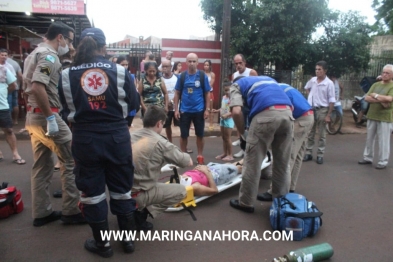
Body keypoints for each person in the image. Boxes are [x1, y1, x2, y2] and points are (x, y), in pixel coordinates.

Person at [58, 27, 140, 257]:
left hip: (85, 139)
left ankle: (103, 245)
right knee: (122, 190)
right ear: (104, 47)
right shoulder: (121, 72)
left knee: (92, 194)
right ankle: (128, 241)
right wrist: (123, 122)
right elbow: (134, 102)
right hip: (117, 137)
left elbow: (65, 108)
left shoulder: (67, 74)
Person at [23, 22, 84, 227]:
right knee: (70, 161)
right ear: (60, 37)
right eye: (69, 40)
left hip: (33, 116)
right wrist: (50, 117)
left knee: (41, 165)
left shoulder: (33, 54)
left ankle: (42, 212)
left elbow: (28, 88)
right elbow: (37, 86)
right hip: (47, 116)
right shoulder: (49, 56)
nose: (68, 45)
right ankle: (71, 210)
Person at [228, 76, 293, 213]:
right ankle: (280, 200)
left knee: (253, 162)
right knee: (282, 162)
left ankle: (246, 202)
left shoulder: (236, 85)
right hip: (287, 114)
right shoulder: (269, 79)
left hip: (265, 115)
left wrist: (242, 134)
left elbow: (236, 111)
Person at [131, 105, 192, 229]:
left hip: (121, 190)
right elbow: (187, 162)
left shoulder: (130, 136)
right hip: (138, 194)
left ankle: (135, 209)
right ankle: (142, 212)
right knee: (181, 191)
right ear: (159, 123)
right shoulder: (161, 142)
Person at [257, 83, 314, 201]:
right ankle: (291, 187)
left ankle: (275, 191)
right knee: (297, 155)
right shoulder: (282, 87)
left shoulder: (276, 92)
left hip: (300, 119)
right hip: (309, 117)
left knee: (286, 157)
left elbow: (282, 112)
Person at [173, 53, 211, 164]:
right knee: (183, 135)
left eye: (194, 61)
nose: (192, 63)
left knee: (200, 134)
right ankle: (183, 157)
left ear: (198, 62)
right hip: (185, 111)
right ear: (186, 62)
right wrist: (176, 109)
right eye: (189, 61)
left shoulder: (202, 76)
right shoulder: (182, 76)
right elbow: (177, 93)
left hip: (199, 111)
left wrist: (207, 109)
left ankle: (200, 155)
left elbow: (207, 93)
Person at [358, 64, 393, 169]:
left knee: (384, 141)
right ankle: (368, 157)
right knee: (369, 139)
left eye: (388, 73)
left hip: (385, 117)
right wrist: (381, 100)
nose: (385, 74)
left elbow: (389, 99)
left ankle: (383, 161)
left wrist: (376, 95)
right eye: (384, 72)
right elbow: (367, 98)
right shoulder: (375, 85)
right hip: (372, 115)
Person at [303, 61, 336, 164]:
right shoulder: (313, 80)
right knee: (310, 133)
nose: (317, 71)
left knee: (322, 134)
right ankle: (308, 153)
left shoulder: (329, 83)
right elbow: (306, 88)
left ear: (325, 71)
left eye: (319, 69)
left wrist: (328, 115)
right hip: (312, 109)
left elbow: (331, 100)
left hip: (323, 110)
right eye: (316, 69)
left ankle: (320, 155)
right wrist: (310, 96)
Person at [231, 54, 258, 158]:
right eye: (236, 63)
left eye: (240, 63)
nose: (238, 65)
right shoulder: (234, 75)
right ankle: (243, 149)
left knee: (252, 127)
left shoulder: (251, 72)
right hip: (240, 105)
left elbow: (257, 88)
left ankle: (253, 151)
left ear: (244, 62)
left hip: (251, 104)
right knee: (241, 127)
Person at [0, 64, 25, 164]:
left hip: (3, 106)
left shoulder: (3, 69)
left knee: (9, 130)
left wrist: (4, 93)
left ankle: (15, 154)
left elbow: (13, 85)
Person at [211, 80, 234, 161]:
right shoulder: (224, 97)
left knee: (228, 138)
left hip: (229, 119)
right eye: (225, 90)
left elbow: (233, 110)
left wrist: (226, 115)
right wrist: (217, 110)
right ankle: (225, 153)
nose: (227, 92)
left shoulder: (233, 98)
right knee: (224, 137)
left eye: (228, 90)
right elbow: (223, 107)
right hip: (222, 119)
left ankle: (230, 155)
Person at [117, 56, 138, 127]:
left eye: (126, 65)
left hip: (130, 104)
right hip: (120, 105)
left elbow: (134, 90)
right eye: (122, 64)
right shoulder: (115, 76)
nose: (125, 66)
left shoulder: (131, 76)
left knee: (127, 127)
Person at [161, 59, 179, 142]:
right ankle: (170, 143)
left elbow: (178, 92)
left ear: (171, 67)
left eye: (166, 66)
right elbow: (161, 93)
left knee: (181, 126)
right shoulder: (160, 79)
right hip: (166, 107)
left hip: (176, 107)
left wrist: (171, 102)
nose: (164, 68)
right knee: (167, 126)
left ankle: (184, 146)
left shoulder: (176, 78)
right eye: (163, 66)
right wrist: (166, 103)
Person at [6, 53, 23, 125]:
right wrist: (21, 85)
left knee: (7, 104)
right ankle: (15, 120)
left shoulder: (4, 64)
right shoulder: (15, 63)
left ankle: (8, 121)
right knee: (15, 103)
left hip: (6, 87)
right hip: (15, 86)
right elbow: (20, 76)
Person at [204, 59, 216, 131]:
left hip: (210, 93)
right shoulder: (201, 73)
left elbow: (211, 84)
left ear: (210, 66)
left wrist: (206, 89)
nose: (206, 66)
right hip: (202, 94)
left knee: (210, 109)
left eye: (207, 65)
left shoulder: (212, 74)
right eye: (205, 65)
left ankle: (211, 124)